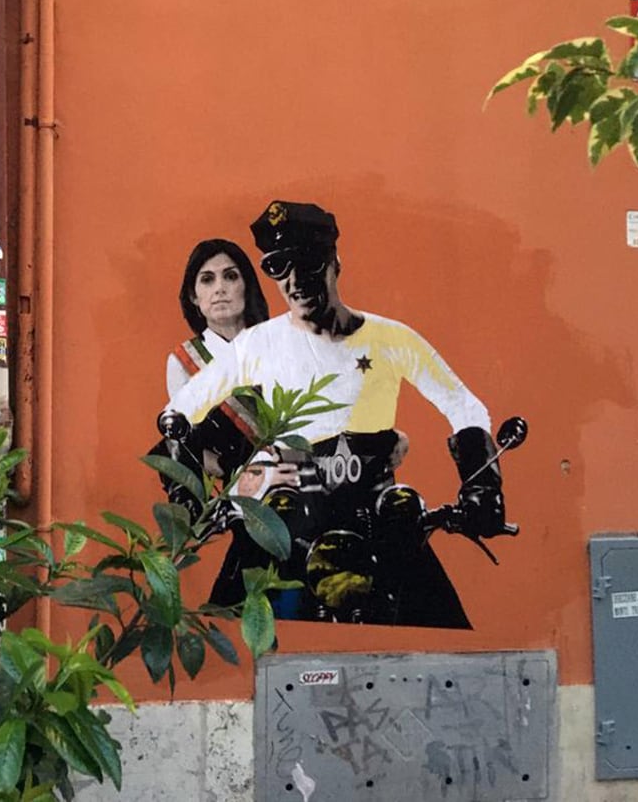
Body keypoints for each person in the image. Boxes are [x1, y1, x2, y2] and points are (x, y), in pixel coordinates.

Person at [161, 201, 507, 628]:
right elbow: (178, 413)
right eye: (279, 267)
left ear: (334, 262)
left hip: (378, 518)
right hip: (290, 522)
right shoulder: (257, 344)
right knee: (233, 627)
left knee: (440, 624)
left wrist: (482, 487)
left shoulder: (391, 338)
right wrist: (189, 502)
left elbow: (465, 406)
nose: (295, 282)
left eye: (307, 262)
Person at [153, 239, 271, 605]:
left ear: (247, 285)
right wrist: (235, 469)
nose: (219, 288)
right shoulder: (184, 361)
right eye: (207, 279)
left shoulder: (277, 345)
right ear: (194, 296)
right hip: (240, 498)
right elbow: (186, 445)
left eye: (230, 276)